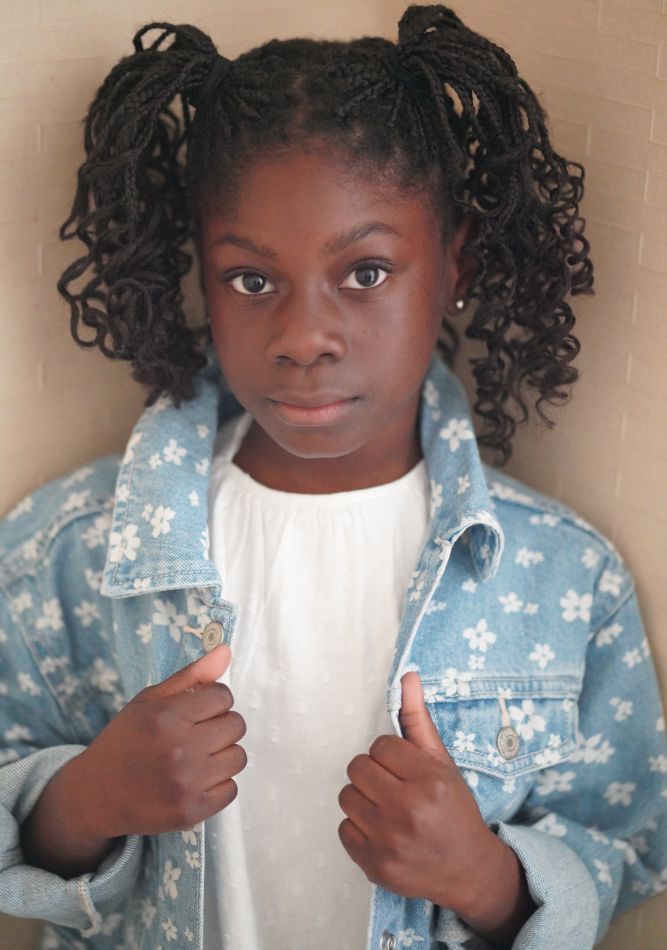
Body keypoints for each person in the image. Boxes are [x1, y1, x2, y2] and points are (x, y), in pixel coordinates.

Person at [0, 4, 666, 949]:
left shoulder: (565, 579)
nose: (305, 337)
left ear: (453, 265)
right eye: (251, 280)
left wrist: (483, 878)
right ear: (200, 275)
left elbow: (625, 844)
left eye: (364, 273)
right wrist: (85, 800)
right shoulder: (65, 554)